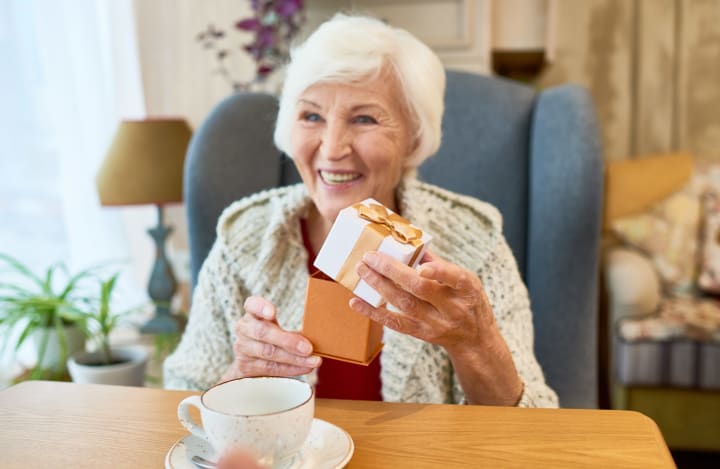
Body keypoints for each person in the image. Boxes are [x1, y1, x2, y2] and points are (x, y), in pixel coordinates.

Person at [164, 13, 558, 408]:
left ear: (414, 136)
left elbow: (536, 424)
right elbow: (181, 399)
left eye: (364, 118)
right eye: (311, 116)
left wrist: (476, 343)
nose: (333, 148)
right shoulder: (244, 237)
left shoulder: (473, 242)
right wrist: (240, 377)